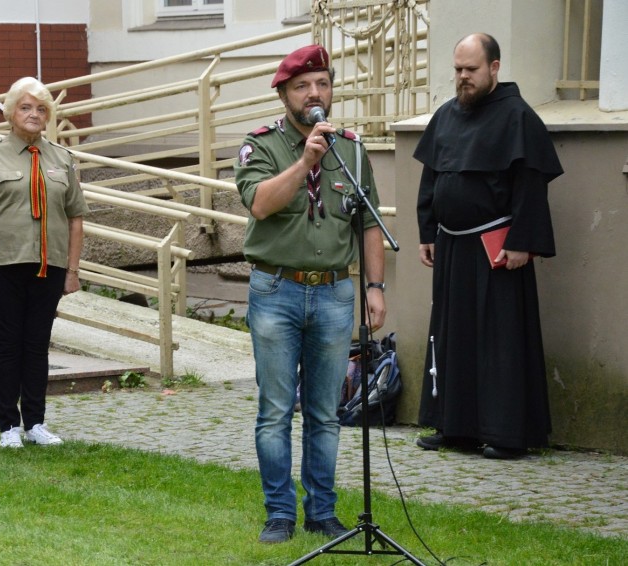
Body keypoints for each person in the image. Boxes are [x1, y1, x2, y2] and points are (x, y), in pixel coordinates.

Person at [235, 45, 387, 543]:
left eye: (322, 83)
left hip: (335, 294)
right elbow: (259, 205)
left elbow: (367, 224)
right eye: (302, 86)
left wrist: (374, 287)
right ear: (284, 94)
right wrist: (305, 162)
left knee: (326, 412)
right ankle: (279, 513)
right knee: (275, 410)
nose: (314, 93)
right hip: (276, 289)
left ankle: (322, 511)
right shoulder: (259, 146)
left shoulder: (352, 148)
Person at [414, 33, 562, 460]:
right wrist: (428, 231)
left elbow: (531, 186)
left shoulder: (518, 117)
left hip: (496, 249)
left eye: (471, 70)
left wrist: (522, 243)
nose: (463, 77)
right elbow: (432, 181)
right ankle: (455, 427)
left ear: (494, 68)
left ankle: (505, 433)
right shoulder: (445, 116)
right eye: (458, 69)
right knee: (451, 335)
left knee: (499, 341)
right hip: (452, 246)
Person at [0, 77, 89, 449]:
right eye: (26, 107)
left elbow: (75, 217)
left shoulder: (62, 158)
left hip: (48, 266)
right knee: (8, 345)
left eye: (41, 109)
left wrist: (71, 271)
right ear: (10, 112)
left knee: (37, 345)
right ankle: (8, 427)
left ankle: (35, 422)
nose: (34, 115)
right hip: (3, 265)